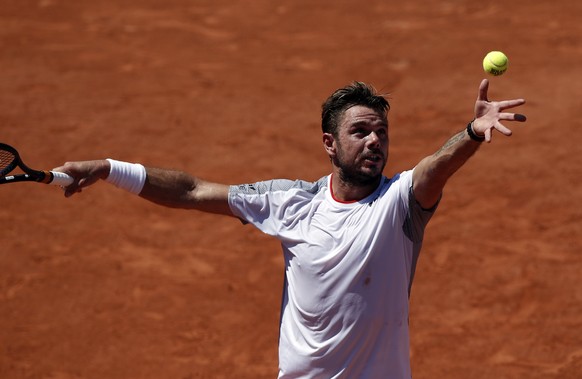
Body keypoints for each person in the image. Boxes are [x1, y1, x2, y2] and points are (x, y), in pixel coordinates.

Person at [54, 78, 526, 378]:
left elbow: (435, 169)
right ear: (329, 143)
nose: (375, 141)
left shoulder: (400, 202)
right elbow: (193, 190)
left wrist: (469, 134)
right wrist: (108, 167)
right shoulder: (292, 203)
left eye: (381, 131)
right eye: (360, 131)